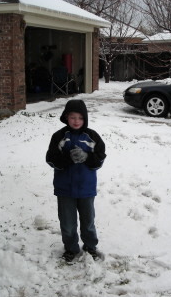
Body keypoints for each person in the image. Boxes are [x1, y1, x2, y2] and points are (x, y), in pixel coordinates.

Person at [46, 99, 106, 263]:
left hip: (86, 189)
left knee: (88, 222)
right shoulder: (59, 136)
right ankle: (71, 248)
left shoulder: (92, 136)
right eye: (72, 117)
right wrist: (67, 158)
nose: (76, 121)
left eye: (80, 118)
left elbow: (100, 159)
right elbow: (50, 159)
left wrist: (87, 157)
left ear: (85, 119)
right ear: (66, 117)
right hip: (64, 189)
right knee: (67, 223)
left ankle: (90, 246)